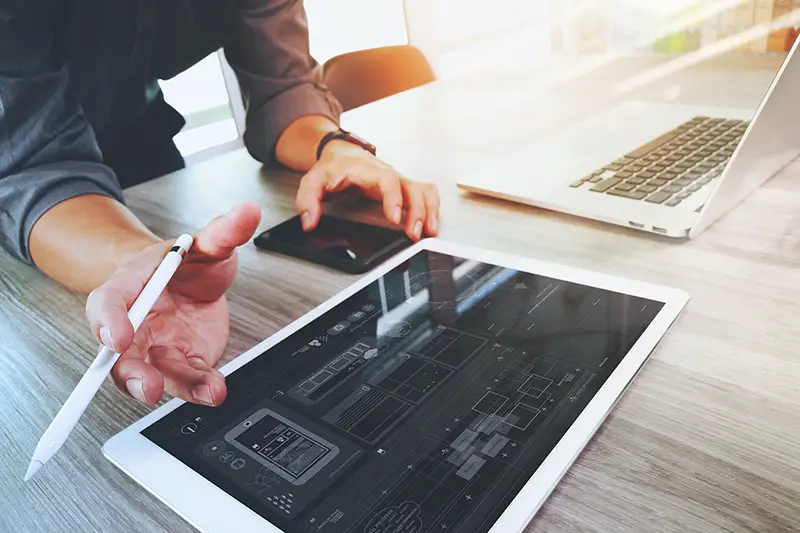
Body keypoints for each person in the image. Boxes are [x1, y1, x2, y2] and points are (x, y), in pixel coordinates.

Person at [0, 1, 441, 408]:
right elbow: (33, 166)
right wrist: (138, 261)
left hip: (144, 140)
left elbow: (283, 87)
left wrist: (334, 147)